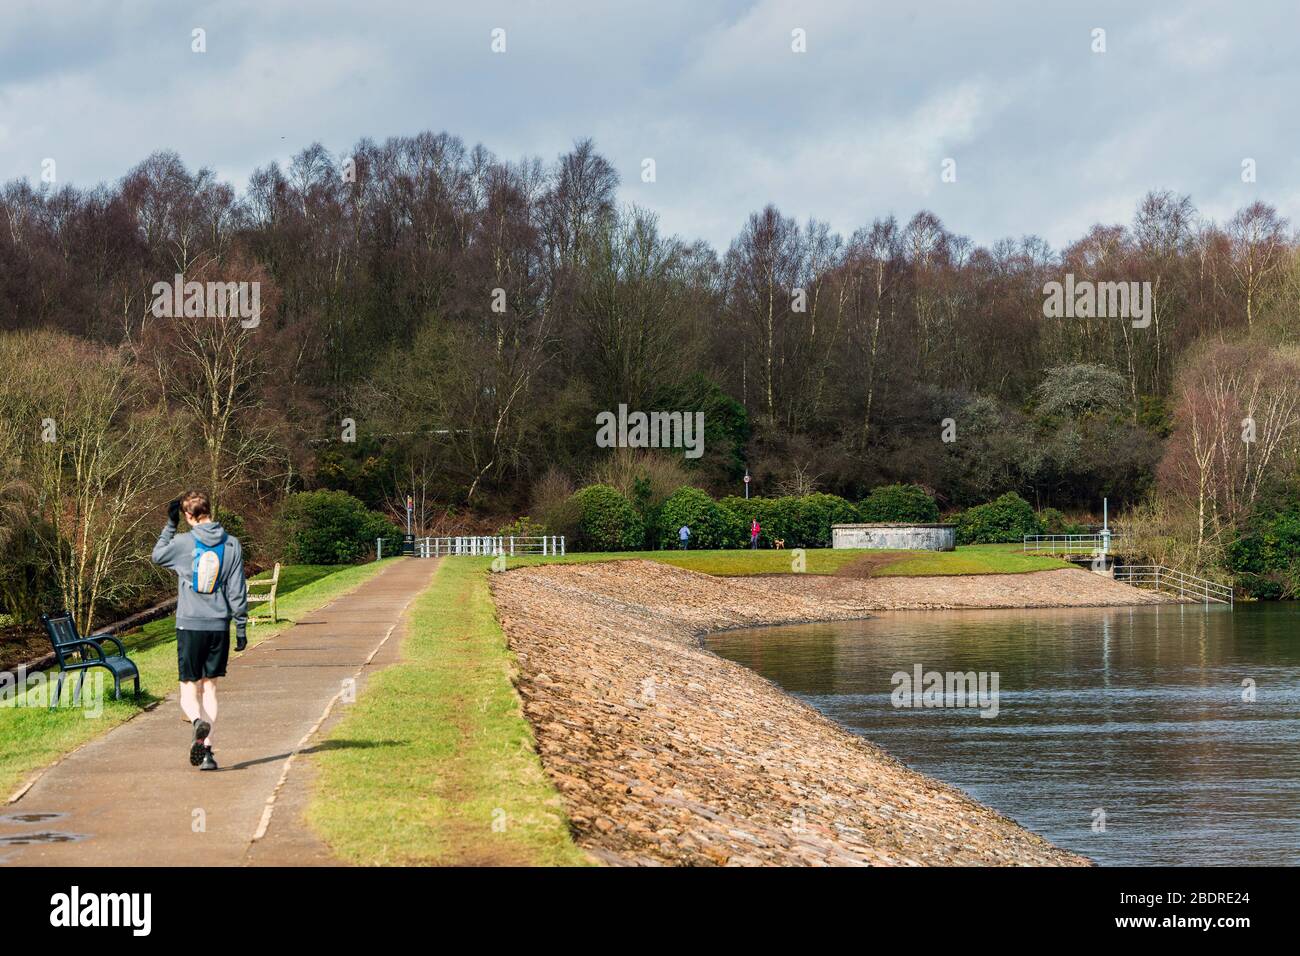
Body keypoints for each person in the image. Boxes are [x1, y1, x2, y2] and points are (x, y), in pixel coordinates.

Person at [151, 491, 248, 772]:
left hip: (190, 624)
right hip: (219, 625)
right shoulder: (231, 544)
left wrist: (170, 525)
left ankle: (196, 724)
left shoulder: (182, 542)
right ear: (209, 511)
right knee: (211, 690)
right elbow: (237, 589)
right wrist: (240, 626)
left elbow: (157, 555)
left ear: (188, 516)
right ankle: (208, 753)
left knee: (189, 688)